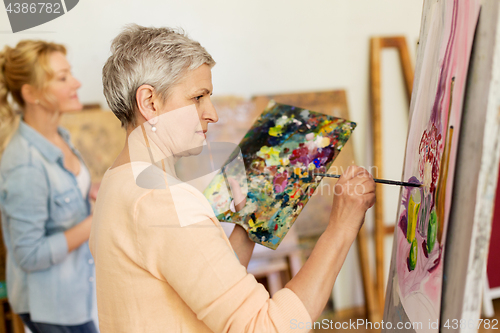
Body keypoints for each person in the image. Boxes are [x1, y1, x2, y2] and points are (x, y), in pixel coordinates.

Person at [90, 24, 375, 333]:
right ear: (149, 102)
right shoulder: (165, 201)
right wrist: (342, 226)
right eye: (197, 97)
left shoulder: (118, 181)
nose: (212, 113)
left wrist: (245, 224)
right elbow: (268, 328)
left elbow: (206, 292)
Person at [0, 41, 98, 332]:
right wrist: (97, 220)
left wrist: (90, 188)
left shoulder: (59, 136)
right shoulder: (25, 164)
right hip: (53, 307)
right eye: (62, 77)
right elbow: (29, 255)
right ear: (31, 94)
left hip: (77, 291)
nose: (77, 83)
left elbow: (62, 191)